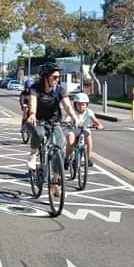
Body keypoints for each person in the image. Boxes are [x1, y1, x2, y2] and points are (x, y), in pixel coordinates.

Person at [24, 62, 76, 198]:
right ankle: (33, 153)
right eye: (54, 77)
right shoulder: (35, 88)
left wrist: (74, 116)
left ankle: (55, 179)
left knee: (60, 145)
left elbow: (67, 106)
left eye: (58, 77)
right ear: (45, 77)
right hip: (38, 120)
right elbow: (33, 103)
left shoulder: (59, 89)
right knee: (39, 133)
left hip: (54, 121)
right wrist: (32, 114)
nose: (57, 79)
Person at [65, 92, 104, 166]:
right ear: (75, 104)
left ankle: (88, 158)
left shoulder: (89, 112)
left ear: (86, 105)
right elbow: (67, 118)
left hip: (84, 129)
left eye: (83, 104)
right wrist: (66, 122)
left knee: (88, 136)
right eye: (79, 104)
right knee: (70, 142)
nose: (81, 106)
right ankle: (66, 158)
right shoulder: (72, 111)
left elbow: (95, 120)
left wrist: (99, 125)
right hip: (72, 130)